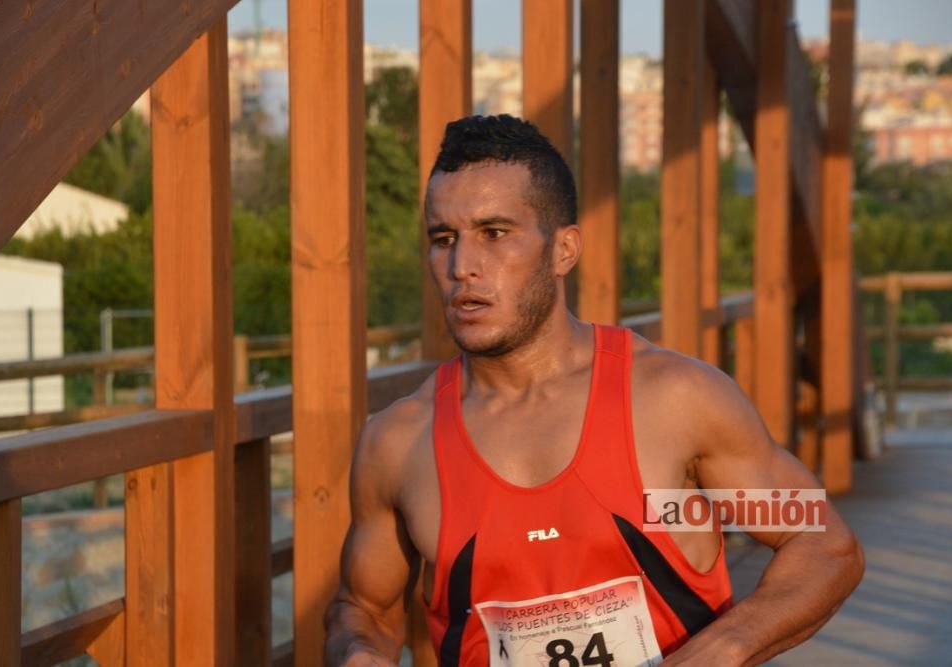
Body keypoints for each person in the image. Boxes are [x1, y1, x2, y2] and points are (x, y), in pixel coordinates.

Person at [324, 115, 864, 666]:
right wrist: (358, 652)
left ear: (564, 250)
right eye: (444, 240)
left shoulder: (674, 402)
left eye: (494, 233)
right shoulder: (397, 443)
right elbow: (363, 608)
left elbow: (822, 544)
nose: (463, 266)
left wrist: (725, 648)